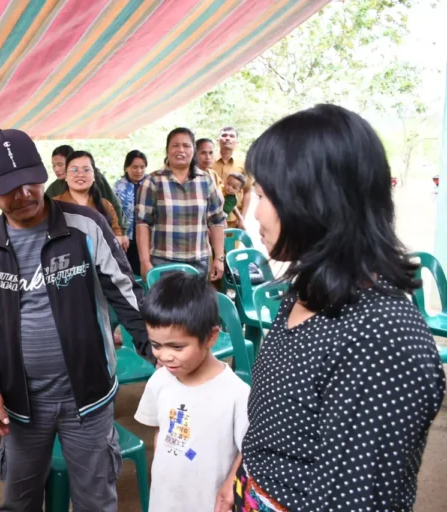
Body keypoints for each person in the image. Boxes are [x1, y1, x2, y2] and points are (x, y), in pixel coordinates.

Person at [236, 104, 446, 511]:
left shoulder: (382, 341)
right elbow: (276, 419)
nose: (254, 212)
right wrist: (241, 474)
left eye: (262, 195)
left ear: (313, 201)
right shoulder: (308, 288)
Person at [0, 128, 154, 512]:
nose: (24, 196)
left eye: (30, 182)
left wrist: (161, 354)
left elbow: (128, 296)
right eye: (8, 188)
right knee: (19, 502)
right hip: (20, 402)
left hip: (88, 397)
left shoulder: (85, 226)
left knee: (96, 501)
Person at [135, 272, 249, 512]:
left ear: (210, 337)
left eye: (177, 346)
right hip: (165, 500)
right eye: (156, 345)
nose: (164, 356)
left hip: (209, 502)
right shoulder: (160, 381)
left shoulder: (237, 394)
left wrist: (230, 487)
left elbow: (248, 452)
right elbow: (161, 430)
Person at [136, 127, 226, 280]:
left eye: (186, 146)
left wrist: (219, 257)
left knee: (197, 304)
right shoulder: (152, 181)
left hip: (199, 263)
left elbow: (217, 221)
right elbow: (142, 224)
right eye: (175, 145)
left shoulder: (206, 180)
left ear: (193, 150)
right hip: (162, 262)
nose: (181, 150)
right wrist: (144, 261)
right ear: (167, 150)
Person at [53, 150, 128, 250]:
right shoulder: (53, 206)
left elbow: (116, 239)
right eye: (74, 170)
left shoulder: (105, 205)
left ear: (94, 176)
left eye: (86, 169)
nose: (80, 174)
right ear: (65, 176)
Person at [45, 145, 125, 230]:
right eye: (54, 165)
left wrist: (120, 231)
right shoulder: (53, 190)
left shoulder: (104, 199)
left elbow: (114, 205)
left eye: (60, 164)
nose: (56, 169)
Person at [113, 149, 148, 275]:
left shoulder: (150, 184)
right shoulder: (118, 187)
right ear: (126, 167)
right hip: (127, 240)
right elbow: (114, 213)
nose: (138, 171)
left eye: (142, 167)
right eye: (134, 167)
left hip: (148, 239)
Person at [211, 127, 253, 220]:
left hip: (232, 218)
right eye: (224, 135)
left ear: (236, 142)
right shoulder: (208, 160)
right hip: (209, 216)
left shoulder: (244, 163)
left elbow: (247, 191)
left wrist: (242, 217)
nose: (227, 138)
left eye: (232, 136)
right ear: (218, 140)